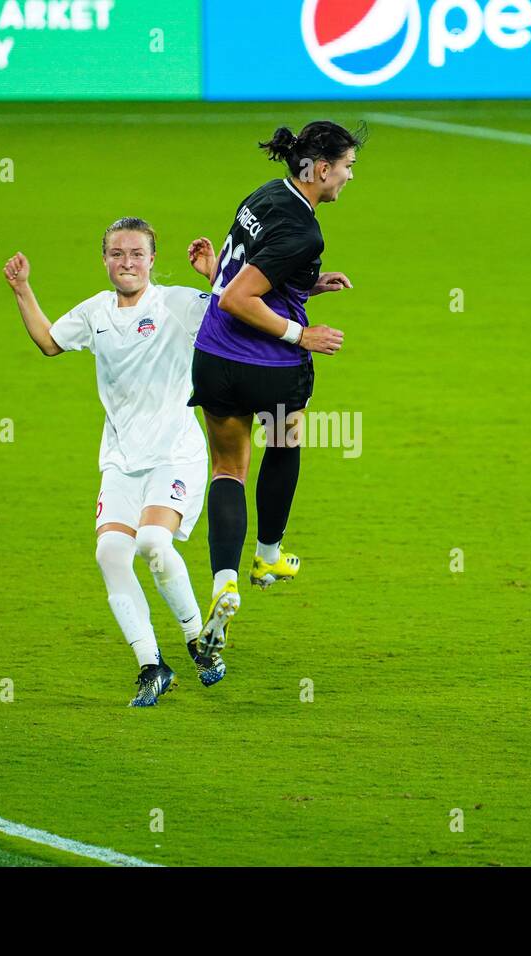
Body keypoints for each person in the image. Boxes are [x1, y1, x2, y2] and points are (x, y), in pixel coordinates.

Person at [3, 218, 223, 707]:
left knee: (152, 543)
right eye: (117, 254)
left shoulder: (176, 304)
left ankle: (197, 640)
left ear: (152, 260)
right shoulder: (95, 311)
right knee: (110, 555)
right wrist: (22, 289)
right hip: (121, 460)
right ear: (104, 260)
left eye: (137, 254)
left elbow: (235, 307)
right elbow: (48, 341)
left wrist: (213, 275)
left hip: (174, 454)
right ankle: (152, 665)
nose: (127, 263)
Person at [186, 121, 366, 654]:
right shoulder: (306, 230)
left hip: (214, 360)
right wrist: (301, 332)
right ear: (323, 168)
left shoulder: (263, 195)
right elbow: (238, 298)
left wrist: (306, 282)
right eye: (348, 167)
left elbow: (242, 276)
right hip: (270, 366)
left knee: (227, 469)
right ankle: (267, 553)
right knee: (285, 444)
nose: (350, 177)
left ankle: (223, 582)